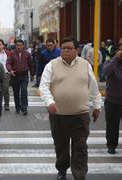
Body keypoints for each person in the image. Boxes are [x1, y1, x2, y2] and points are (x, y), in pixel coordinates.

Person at [39, 37, 102, 180]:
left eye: (69, 48)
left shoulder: (85, 65)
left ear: (76, 50)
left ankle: (79, 174)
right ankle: (62, 169)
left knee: (80, 146)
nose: (65, 50)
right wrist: (49, 102)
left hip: (80, 115)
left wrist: (97, 106)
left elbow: (93, 88)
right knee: (61, 145)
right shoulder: (52, 65)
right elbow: (43, 86)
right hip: (58, 115)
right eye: (63, 48)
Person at [6, 39, 34, 115]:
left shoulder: (27, 54)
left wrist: (32, 74)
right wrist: (10, 70)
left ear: (23, 46)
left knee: (24, 91)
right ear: (15, 46)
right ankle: (17, 107)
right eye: (17, 45)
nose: (19, 47)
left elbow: (31, 65)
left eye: (20, 45)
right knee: (16, 92)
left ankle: (24, 108)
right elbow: (8, 63)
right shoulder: (12, 54)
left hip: (24, 75)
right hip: (15, 75)